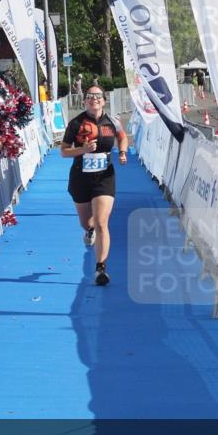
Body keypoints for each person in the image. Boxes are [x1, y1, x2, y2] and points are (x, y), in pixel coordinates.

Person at [60, 84, 128, 286]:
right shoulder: (76, 123)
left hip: (104, 177)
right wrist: (83, 149)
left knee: (101, 223)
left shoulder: (113, 121)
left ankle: (100, 268)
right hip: (80, 177)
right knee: (87, 223)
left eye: (98, 96)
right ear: (85, 101)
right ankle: (88, 231)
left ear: (104, 101)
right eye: (90, 96)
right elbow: (63, 151)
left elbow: (123, 138)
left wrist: (122, 152)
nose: (94, 99)